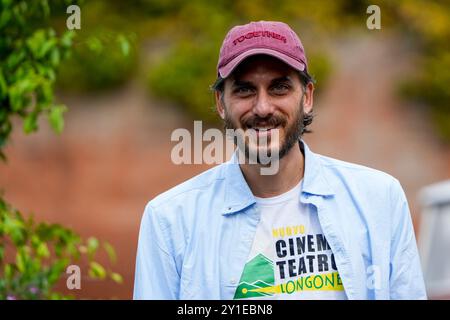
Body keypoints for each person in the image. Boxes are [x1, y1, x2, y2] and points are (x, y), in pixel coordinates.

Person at [133, 20, 427, 300]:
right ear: (221, 103)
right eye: (245, 89)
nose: (262, 107)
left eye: (279, 87)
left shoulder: (379, 199)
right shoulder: (170, 220)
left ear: (307, 97)